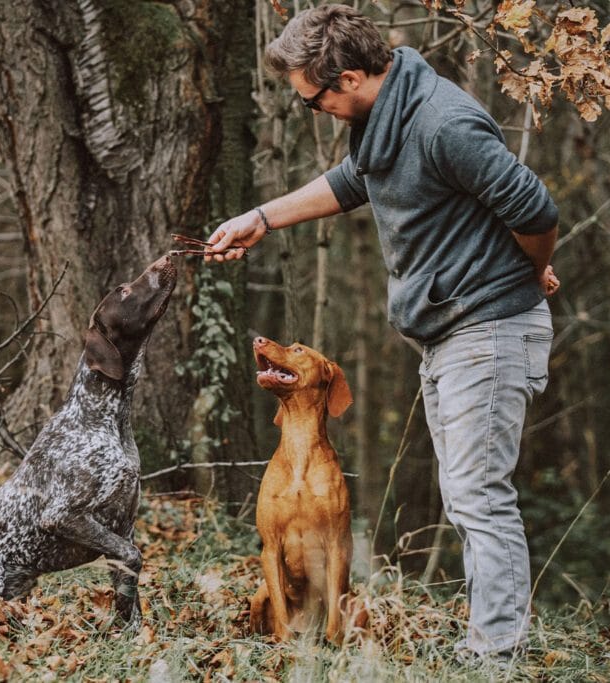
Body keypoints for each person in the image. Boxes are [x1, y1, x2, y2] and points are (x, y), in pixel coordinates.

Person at [206, 4, 560, 661]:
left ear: (344, 78)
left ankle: (496, 655)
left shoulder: (444, 122)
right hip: (451, 330)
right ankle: (490, 642)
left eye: (314, 102)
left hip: (490, 325)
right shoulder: (384, 120)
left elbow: (536, 208)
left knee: (480, 497)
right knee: (466, 496)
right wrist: (262, 217)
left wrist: (529, 274)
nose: (317, 113)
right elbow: (350, 181)